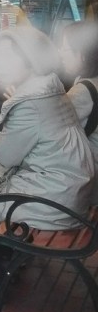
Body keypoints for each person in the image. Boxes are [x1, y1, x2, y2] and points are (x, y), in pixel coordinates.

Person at [0, 25, 95, 304]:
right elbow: (14, 143)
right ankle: (1, 260)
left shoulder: (30, 102)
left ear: (29, 61)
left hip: (54, 200)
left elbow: (5, 156)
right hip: (67, 191)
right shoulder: (49, 90)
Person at [59, 20, 98, 189]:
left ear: (82, 54)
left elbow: (51, 129)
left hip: (86, 180)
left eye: (65, 49)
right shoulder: (90, 81)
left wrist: (19, 101)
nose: (60, 53)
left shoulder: (83, 91)